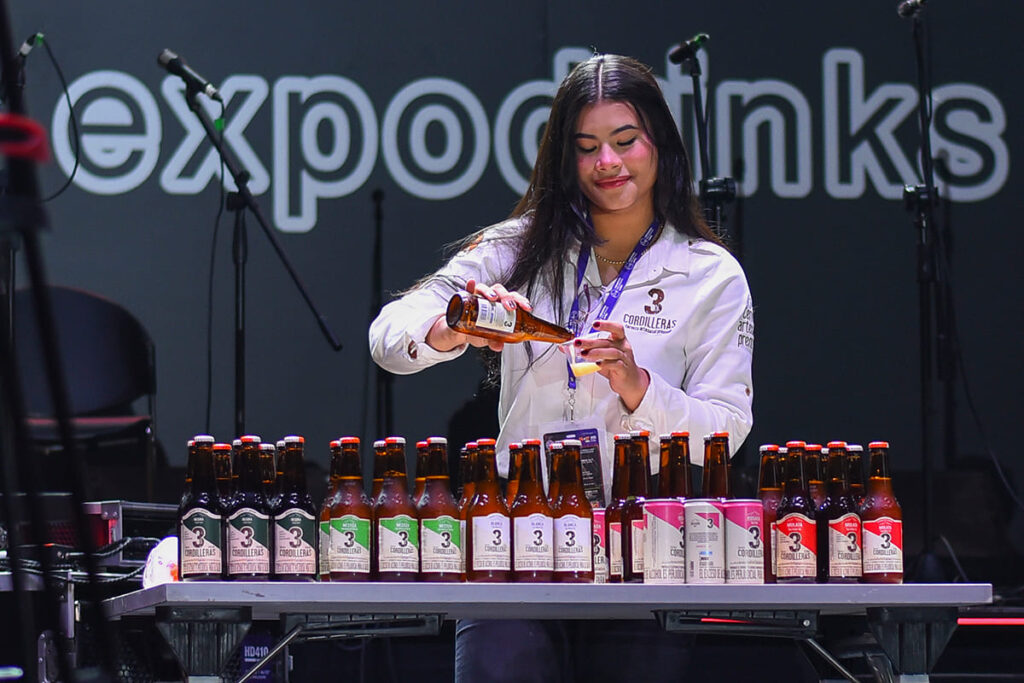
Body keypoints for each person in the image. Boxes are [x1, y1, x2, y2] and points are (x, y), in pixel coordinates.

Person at [370, 53, 753, 682]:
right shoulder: (516, 247)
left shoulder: (710, 274)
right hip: (515, 530)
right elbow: (388, 337)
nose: (608, 162)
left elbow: (727, 427)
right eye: (587, 147)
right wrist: (453, 327)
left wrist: (638, 388)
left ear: (660, 144)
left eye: (625, 141)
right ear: (563, 158)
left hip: (643, 541)